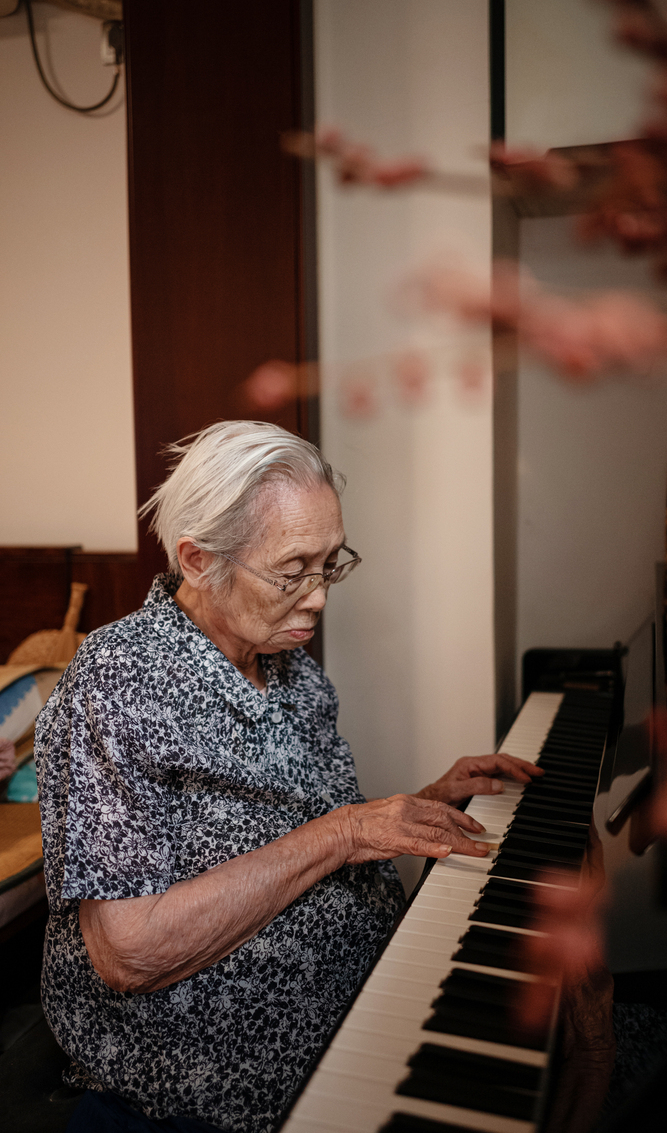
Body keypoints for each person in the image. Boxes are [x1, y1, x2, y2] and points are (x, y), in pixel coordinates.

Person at [35, 421, 542, 1133]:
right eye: (292, 569)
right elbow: (128, 950)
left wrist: (425, 802)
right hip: (213, 1084)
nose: (319, 598)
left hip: (360, 1015)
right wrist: (346, 832)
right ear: (198, 560)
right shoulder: (121, 682)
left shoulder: (289, 667)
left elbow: (294, 834)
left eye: (331, 564)